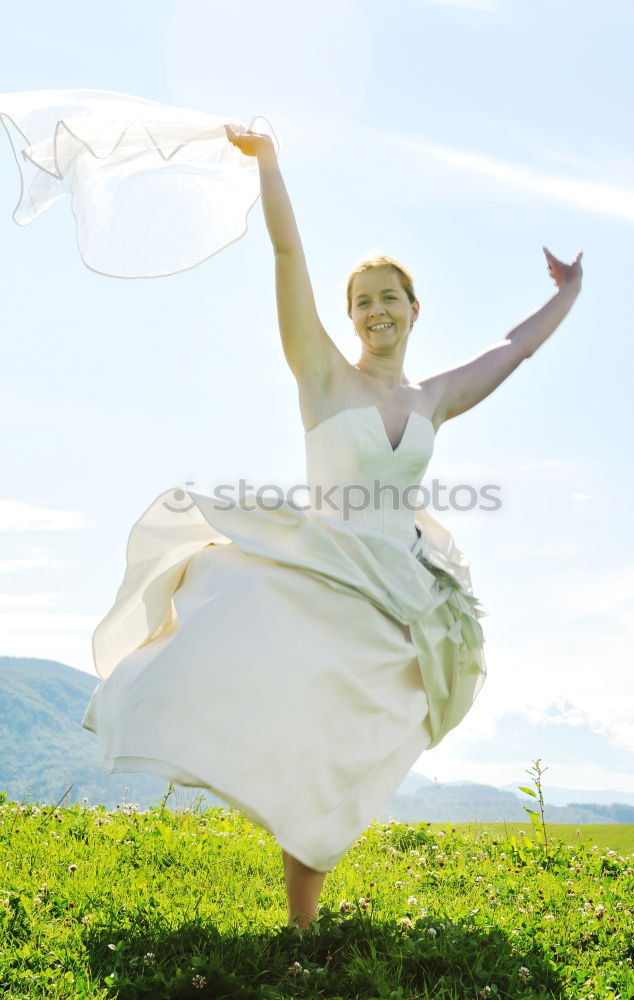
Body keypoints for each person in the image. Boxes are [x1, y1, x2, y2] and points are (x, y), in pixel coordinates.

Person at [80, 123, 583, 932]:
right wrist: (271, 164)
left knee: (348, 751)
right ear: (350, 317)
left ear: (415, 311)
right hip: (324, 578)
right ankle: (303, 928)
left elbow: (513, 349)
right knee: (304, 733)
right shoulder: (320, 373)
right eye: (363, 301)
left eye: (390, 297)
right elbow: (287, 258)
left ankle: (307, 906)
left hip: (398, 599)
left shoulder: (432, 401)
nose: (376, 310)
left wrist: (569, 294)